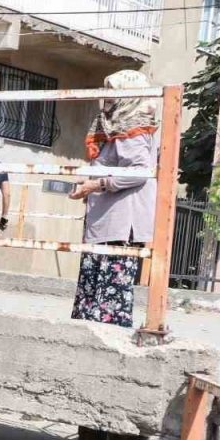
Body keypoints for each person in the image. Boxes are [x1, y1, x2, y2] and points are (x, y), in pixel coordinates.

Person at [68, 69, 159, 328]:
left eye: (113, 92)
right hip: (106, 223)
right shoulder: (115, 126)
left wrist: (98, 184)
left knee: (107, 302)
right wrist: (85, 182)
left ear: (127, 96)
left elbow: (139, 172)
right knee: (92, 296)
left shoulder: (133, 128)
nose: (107, 98)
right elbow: (106, 164)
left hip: (119, 225)